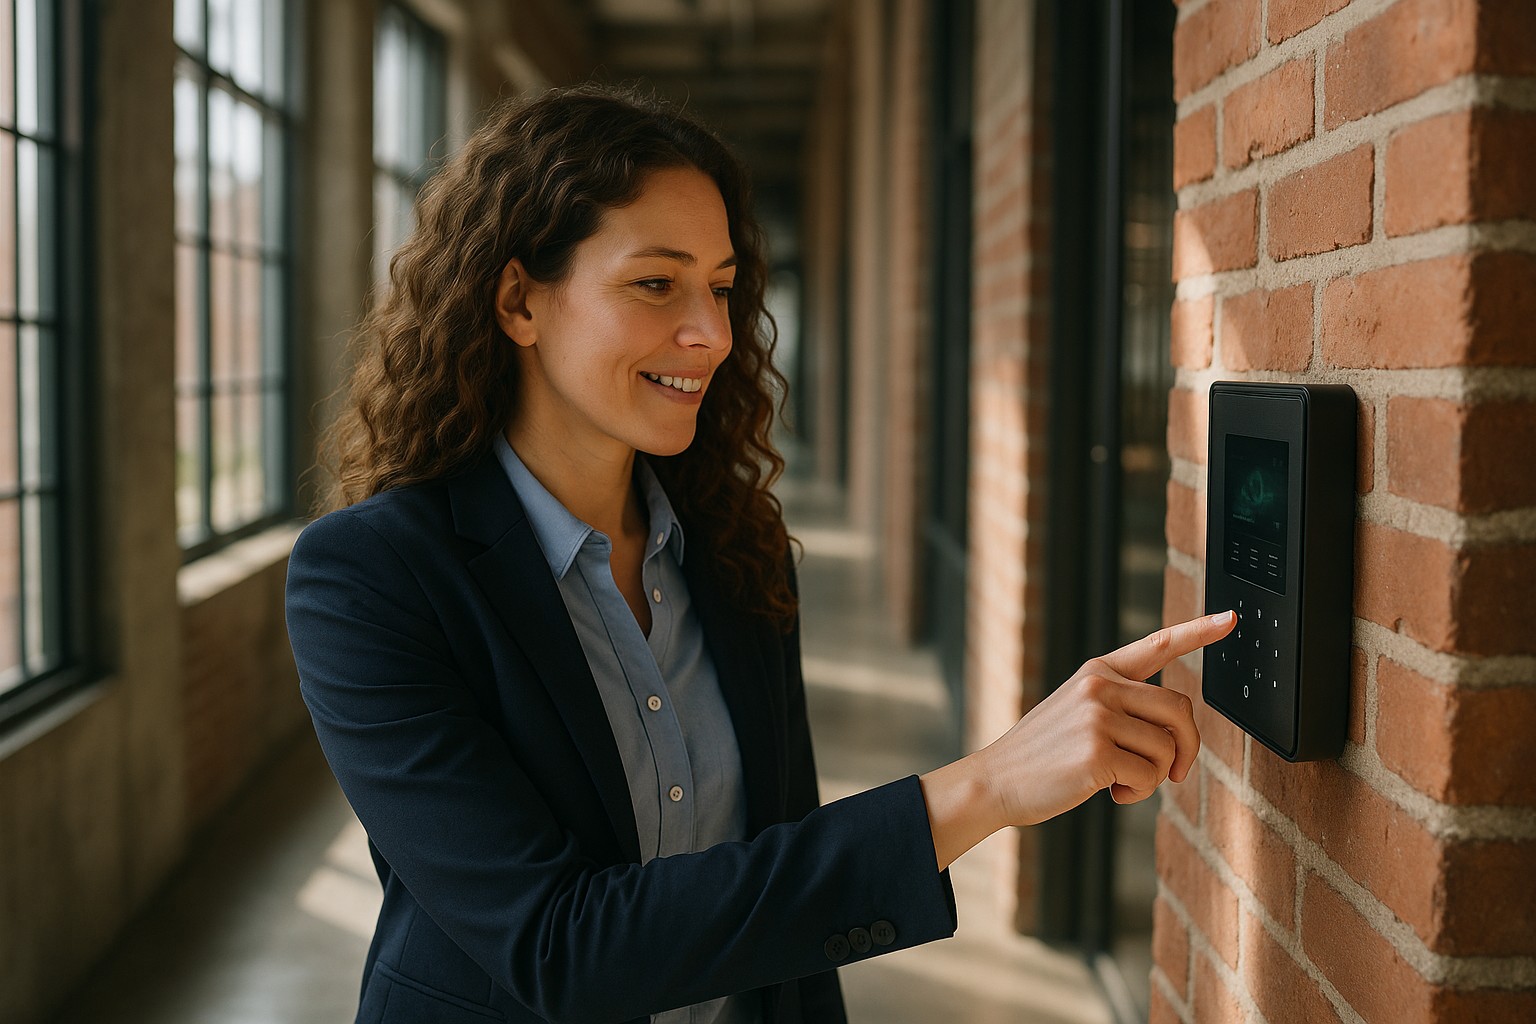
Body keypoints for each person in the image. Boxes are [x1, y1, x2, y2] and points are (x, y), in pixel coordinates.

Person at [285, 84, 1236, 1024]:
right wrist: (986, 786)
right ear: (518, 301)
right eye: (656, 283)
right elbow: (558, 948)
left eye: (723, 285)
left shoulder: (736, 547)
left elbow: (786, 908)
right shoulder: (368, 579)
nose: (709, 332)